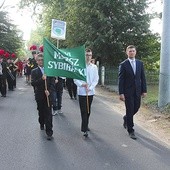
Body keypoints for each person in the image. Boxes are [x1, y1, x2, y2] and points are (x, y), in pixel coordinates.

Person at [118, 45, 147, 140]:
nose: (132, 52)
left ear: (135, 52)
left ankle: (126, 118)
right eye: (130, 51)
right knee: (130, 109)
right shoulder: (123, 64)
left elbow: (142, 78)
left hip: (137, 91)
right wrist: (121, 93)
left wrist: (144, 90)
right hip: (127, 91)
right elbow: (121, 79)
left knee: (136, 107)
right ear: (127, 52)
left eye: (133, 51)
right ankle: (131, 130)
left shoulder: (140, 63)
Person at [74, 49, 99, 137]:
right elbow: (75, 79)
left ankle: (86, 124)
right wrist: (82, 85)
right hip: (82, 92)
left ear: (91, 56)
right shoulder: (79, 66)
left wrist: (91, 87)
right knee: (83, 110)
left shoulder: (94, 67)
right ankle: (84, 129)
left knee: (88, 110)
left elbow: (96, 79)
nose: (88, 57)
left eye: (89, 55)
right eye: (86, 55)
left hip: (90, 92)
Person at [31, 53, 55, 140]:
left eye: (42, 60)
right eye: (39, 60)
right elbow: (33, 83)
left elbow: (52, 82)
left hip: (48, 95)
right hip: (39, 95)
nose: (41, 61)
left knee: (48, 113)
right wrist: (42, 79)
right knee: (41, 112)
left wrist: (50, 91)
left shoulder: (49, 70)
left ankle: (49, 132)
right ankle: (42, 122)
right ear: (37, 61)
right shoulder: (34, 71)